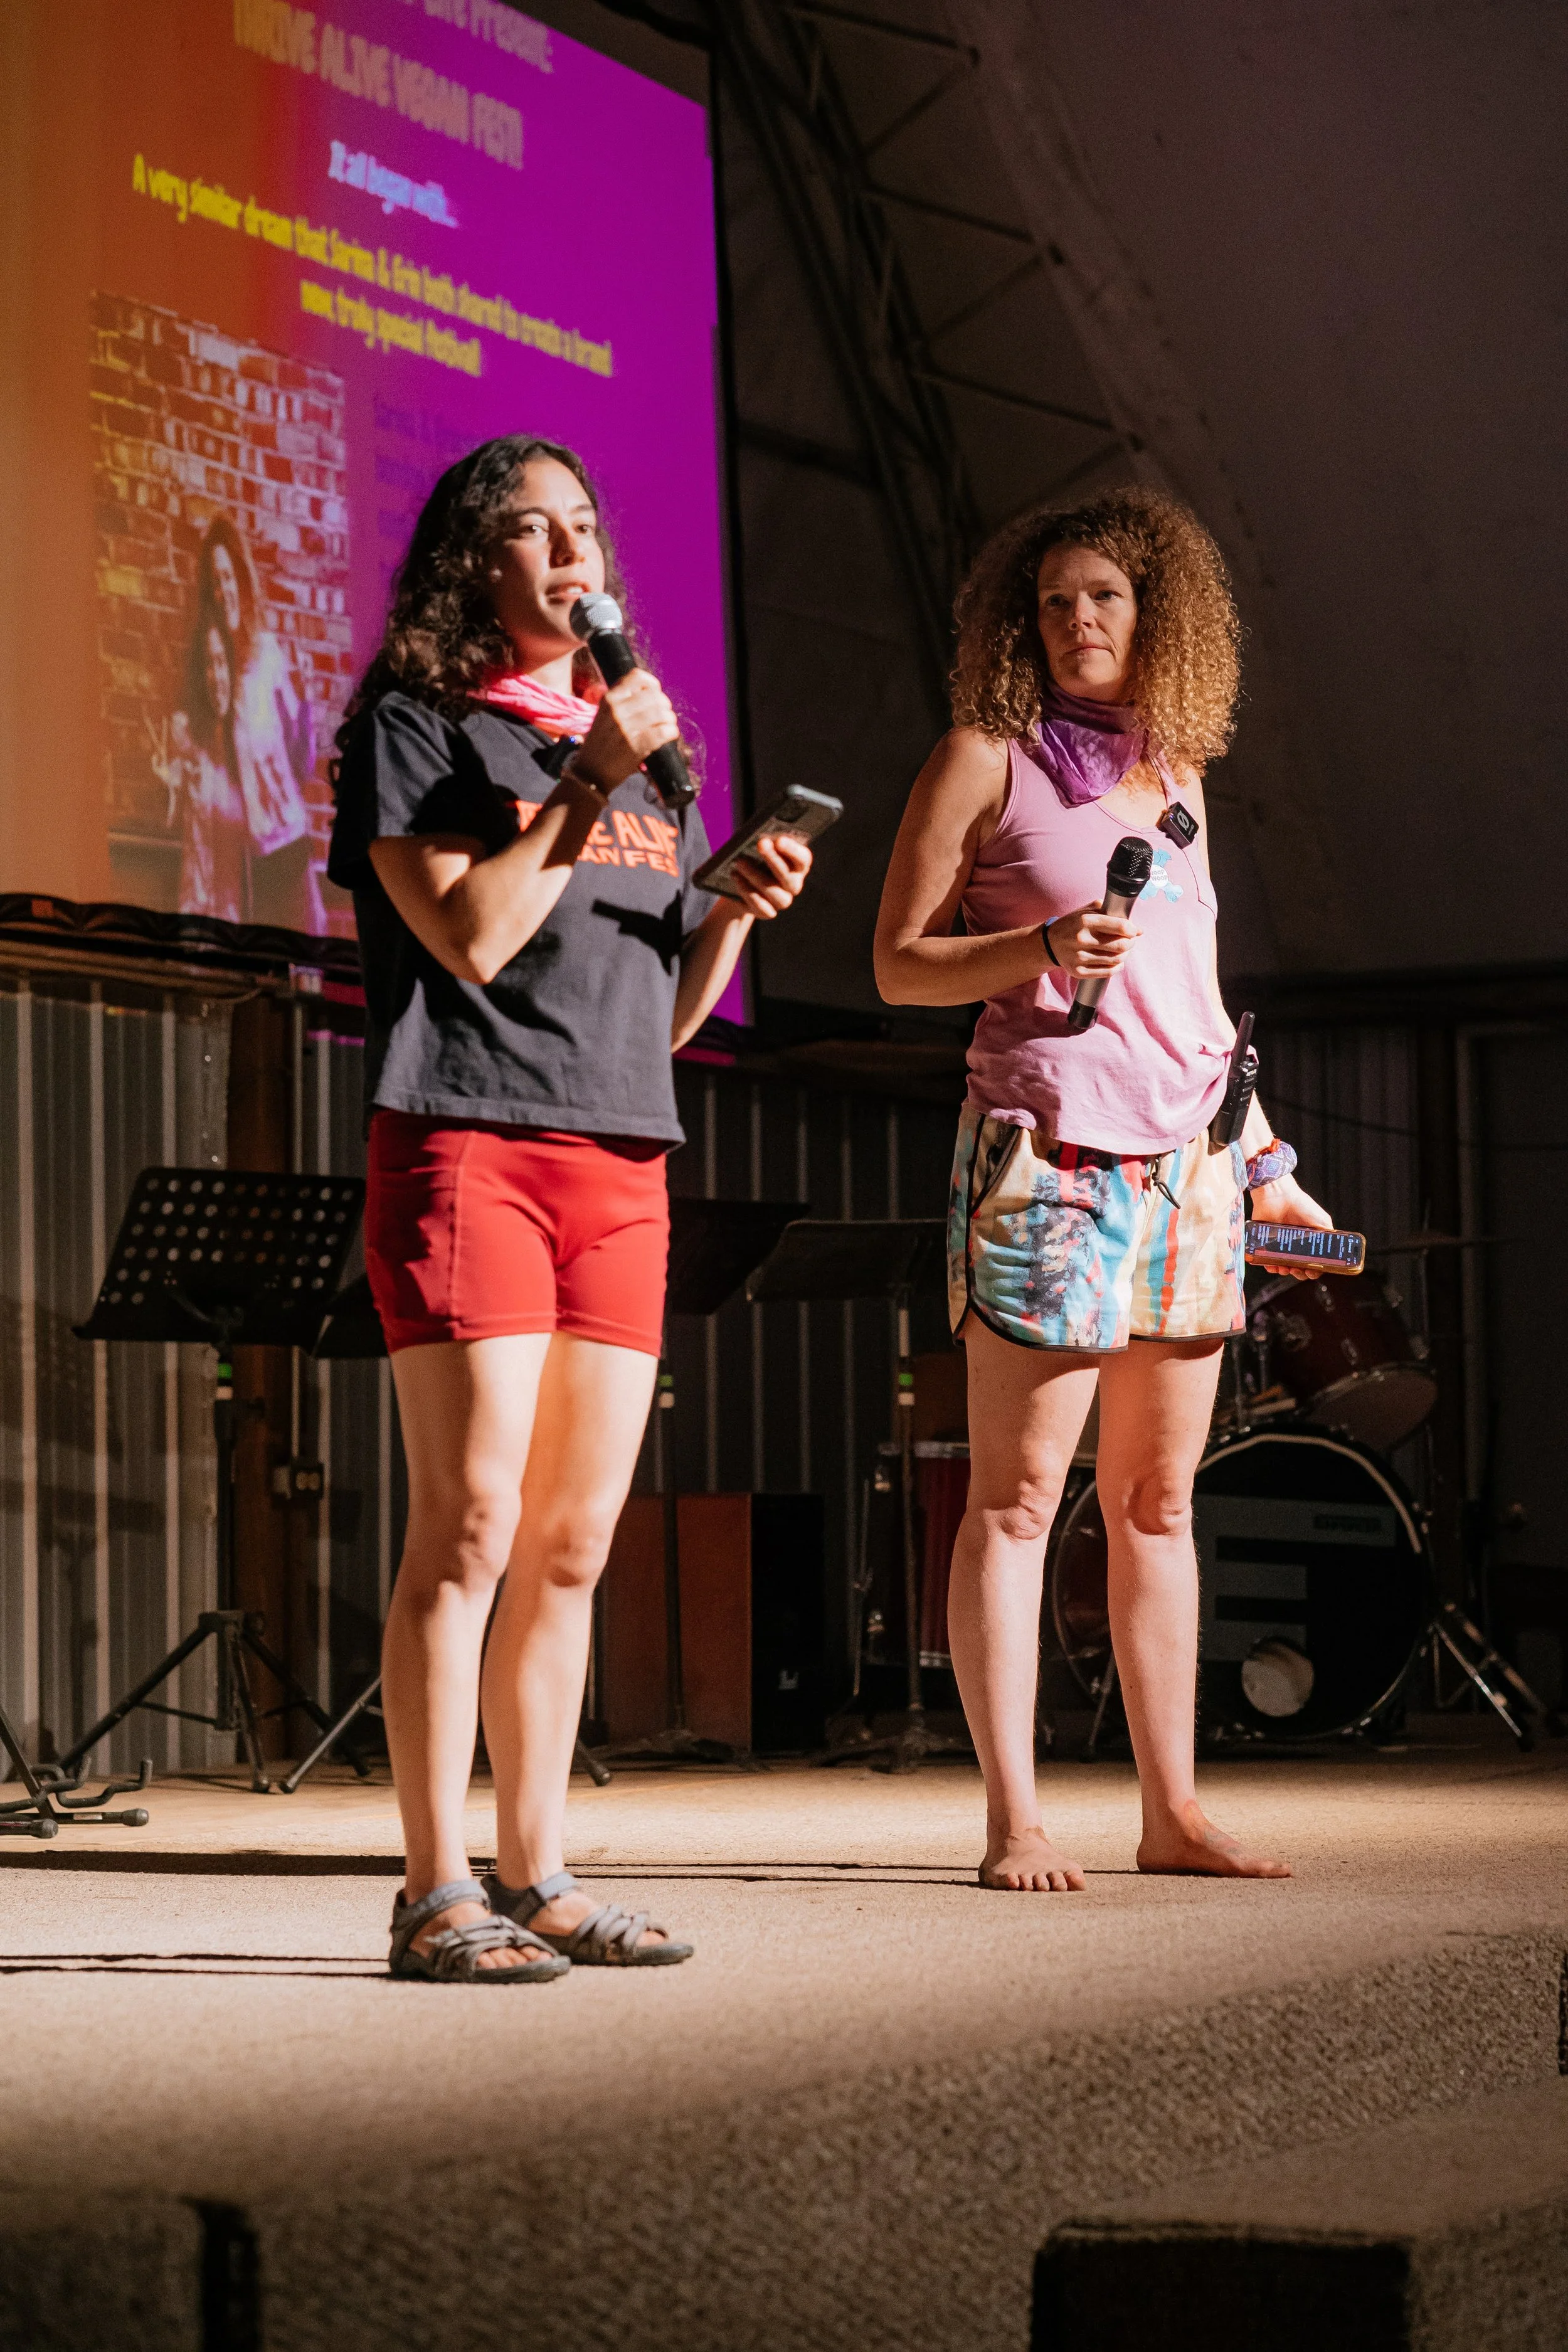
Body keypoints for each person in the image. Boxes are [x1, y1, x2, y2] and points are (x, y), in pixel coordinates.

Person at [328, 434, 813, 1980]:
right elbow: (471, 933)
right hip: (470, 1143)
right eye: (529, 529)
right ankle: (431, 1884)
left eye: (584, 525)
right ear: (472, 561)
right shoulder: (419, 727)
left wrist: (727, 909)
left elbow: (656, 1014)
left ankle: (539, 1868)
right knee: (467, 1518)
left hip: (621, 1154)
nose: (567, 551)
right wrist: (587, 777)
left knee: (574, 1537)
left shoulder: (640, 760)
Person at [874, 485, 1331, 1892]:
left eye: (1107, 598)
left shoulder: (1174, 778)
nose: (1079, 620)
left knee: (1156, 1505)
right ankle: (1014, 1816)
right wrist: (1033, 951)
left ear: (1156, 618)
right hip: (1046, 1162)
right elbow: (894, 964)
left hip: (1186, 1174)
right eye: (1057, 599)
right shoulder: (982, 760)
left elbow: (1194, 1007)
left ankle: (1169, 1812)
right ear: (1024, 621)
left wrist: (1267, 1165)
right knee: (1014, 1505)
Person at [195, 516, 324, 933]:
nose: (224, 590)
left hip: (284, 844)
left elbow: (301, 762)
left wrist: (304, 704)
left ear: (242, 580)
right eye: (216, 582)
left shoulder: (266, 654)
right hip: (238, 863)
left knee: (304, 959)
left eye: (229, 577)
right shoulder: (211, 670)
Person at [172, 615, 250, 922]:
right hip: (193, 914)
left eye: (221, 663)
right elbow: (170, 816)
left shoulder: (246, 746)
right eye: (208, 664)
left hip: (237, 923)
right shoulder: (185, 735)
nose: (216, 676)